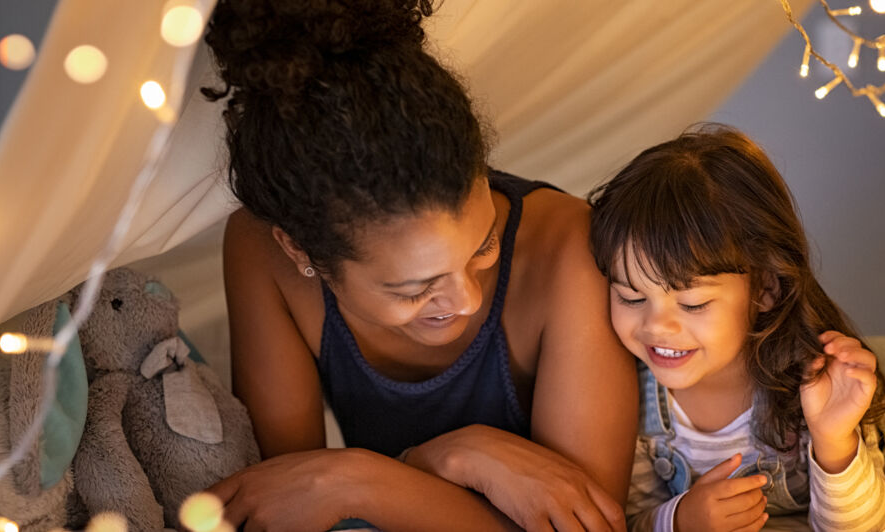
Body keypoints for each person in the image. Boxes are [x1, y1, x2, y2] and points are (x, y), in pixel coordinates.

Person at [201, 1, 637, 530]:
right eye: (415, 288)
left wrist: (376, 475)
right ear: (301, 251)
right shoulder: (261, 253)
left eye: (484, 245)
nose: (466, 299)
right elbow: (288, 497)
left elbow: (588, 526)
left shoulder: (570, 248)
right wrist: (415, 468)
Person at [586, 124, 885, 532]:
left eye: (692, 303)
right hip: (838, 361)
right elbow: (631, 514)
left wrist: (834, 441)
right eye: (630, 296)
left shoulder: (812, 393)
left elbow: (862, 524)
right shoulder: (630, 397)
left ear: (765, 289)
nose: (656, 326)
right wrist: (678, 519)